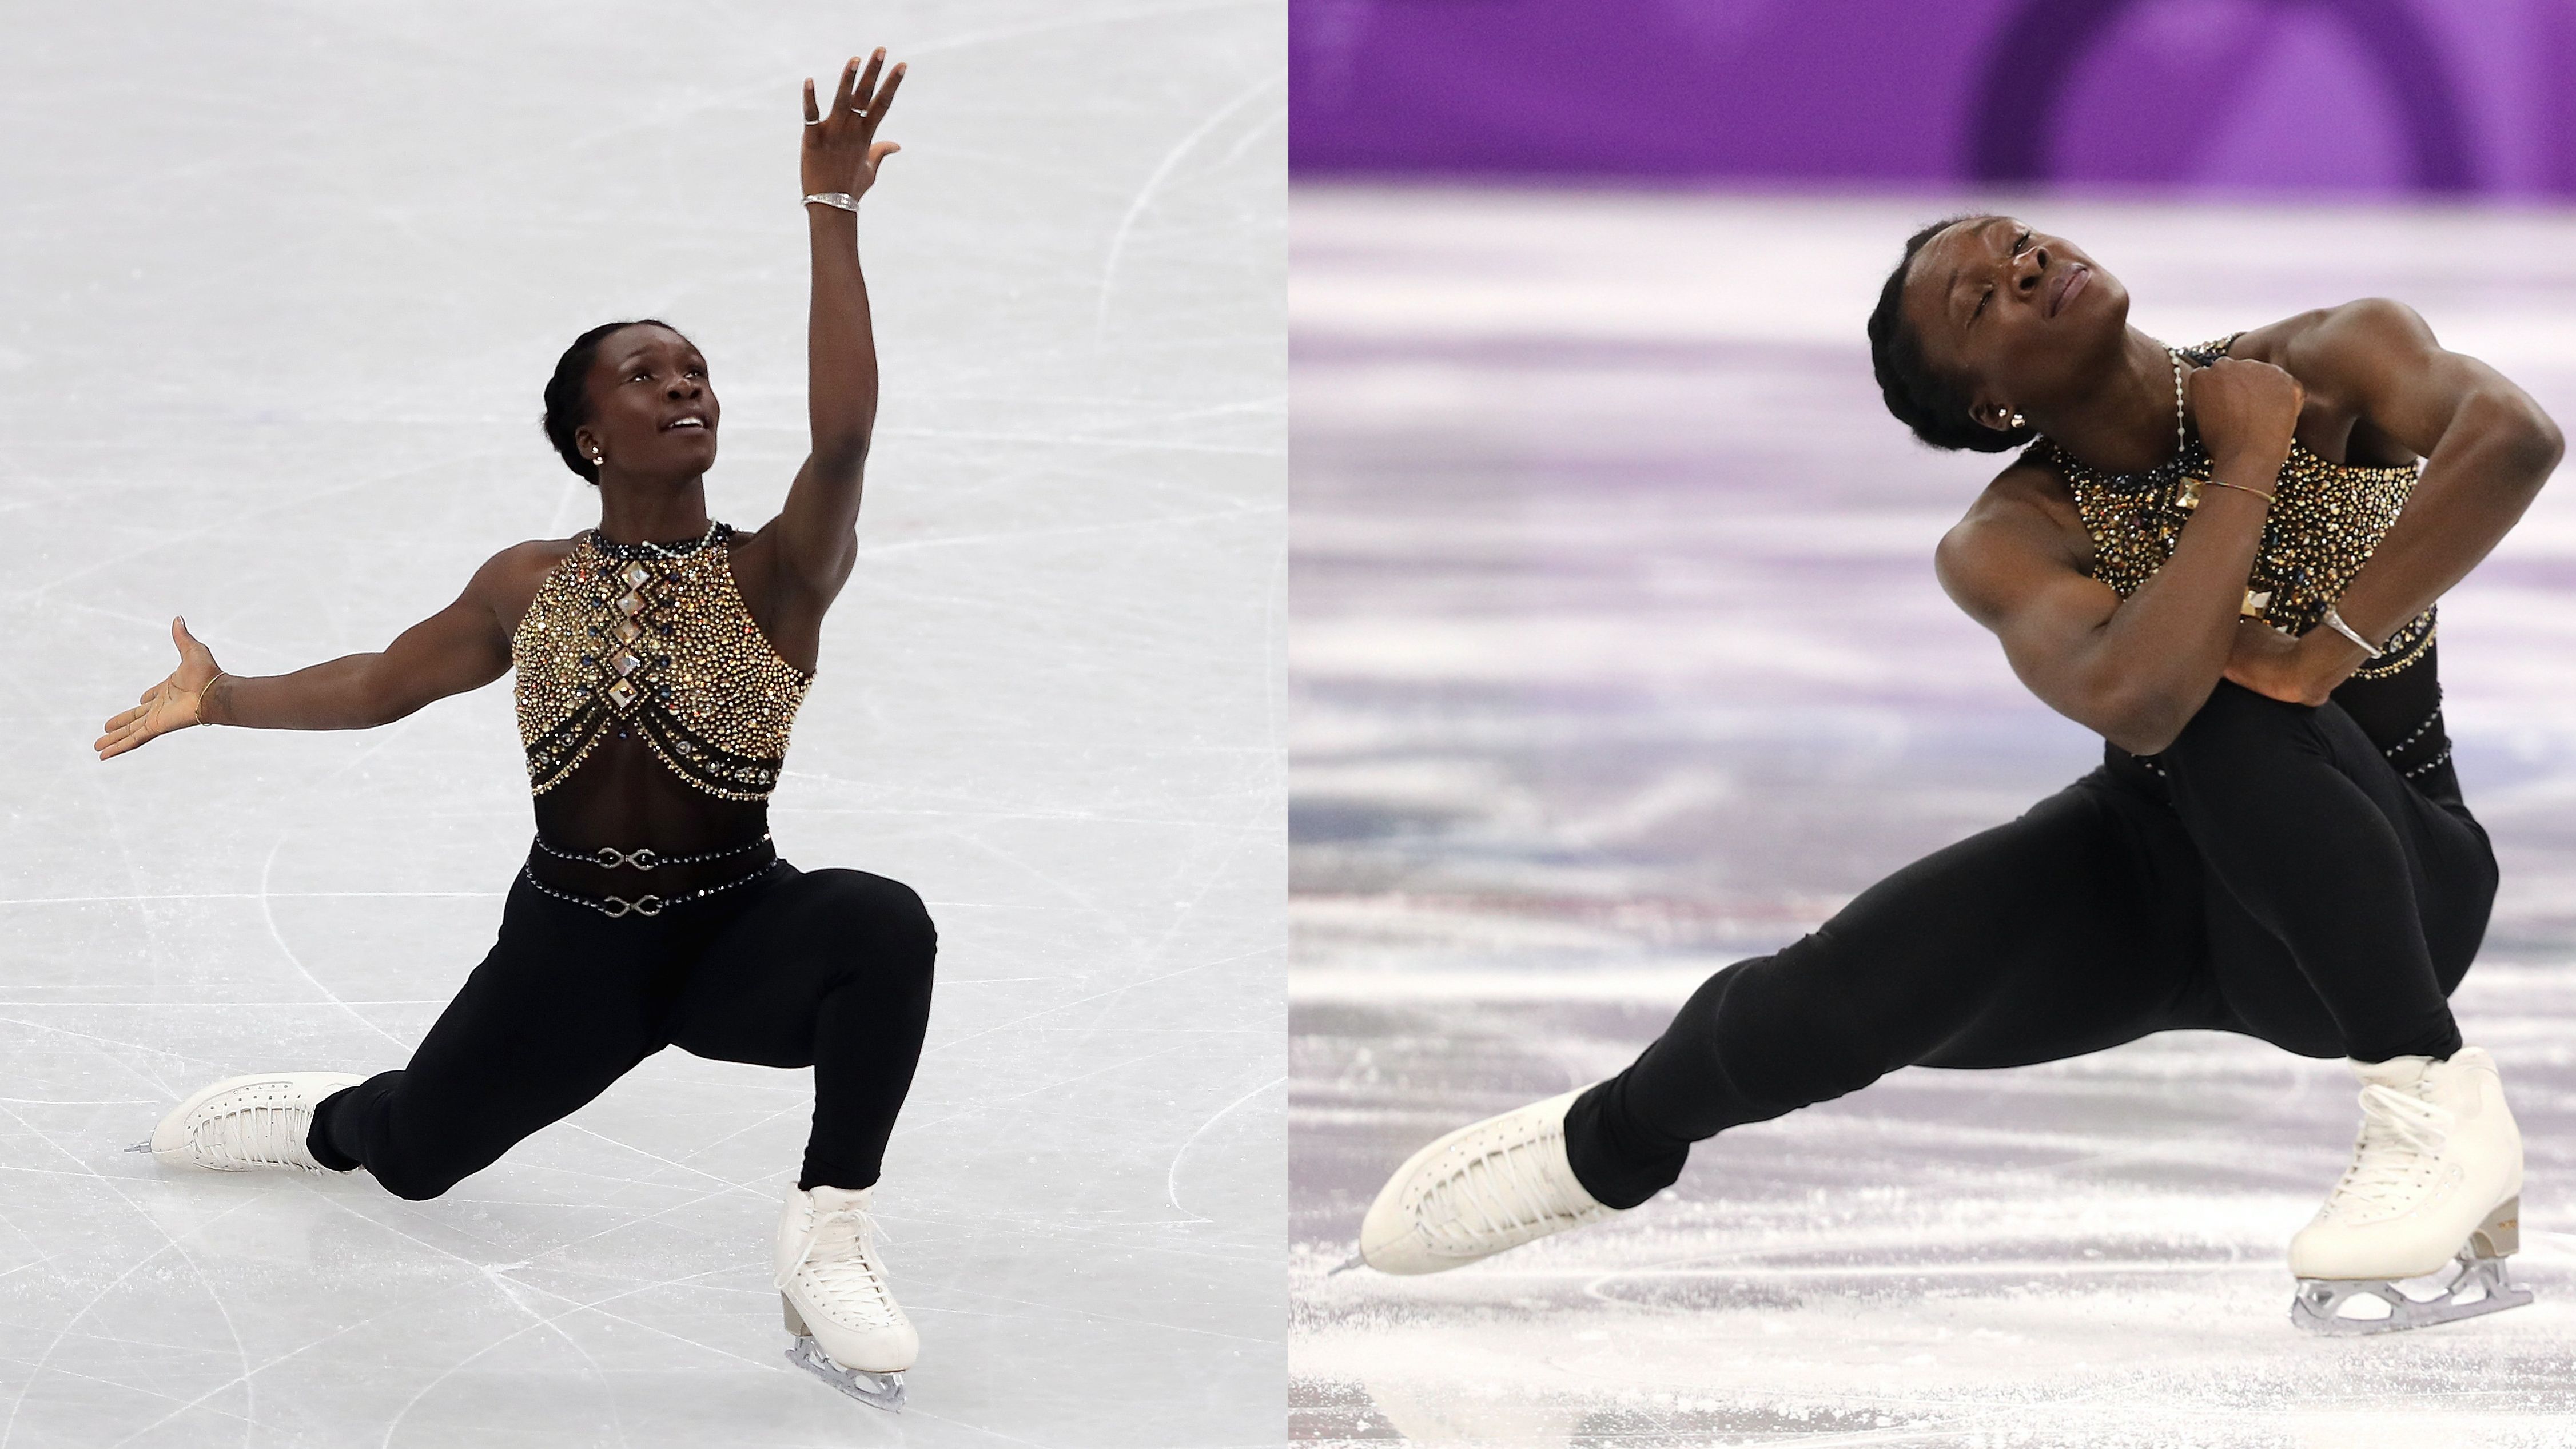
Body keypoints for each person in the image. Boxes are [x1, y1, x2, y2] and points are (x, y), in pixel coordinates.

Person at [1355, 214, 2564, 1336]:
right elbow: (2137, 700)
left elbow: (2517, 437)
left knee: (2230, 691)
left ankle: (2429, 1093)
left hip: (2395, 880)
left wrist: (2319, 653)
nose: (2027, 268)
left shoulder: (2333, 358)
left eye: (2019, 246)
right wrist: (2246, 465)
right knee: (1834, 991)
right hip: (2157, 873)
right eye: (1984, 301)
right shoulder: (2007, 535)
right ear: (1992, 410)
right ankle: (1597, 1148)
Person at [96, 51, 931, 1408]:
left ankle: (829, 1230)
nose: (684, 387)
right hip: (568, 949)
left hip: (736, 932)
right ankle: (324, 1117)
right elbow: (383, 681)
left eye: (698, 371)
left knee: (885, 922)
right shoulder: (526, 585)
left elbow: (843, 442)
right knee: (418, 1154)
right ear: (586, 432)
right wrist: (223, 695)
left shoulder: (776, 573)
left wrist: (830, 217)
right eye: (646, 375)